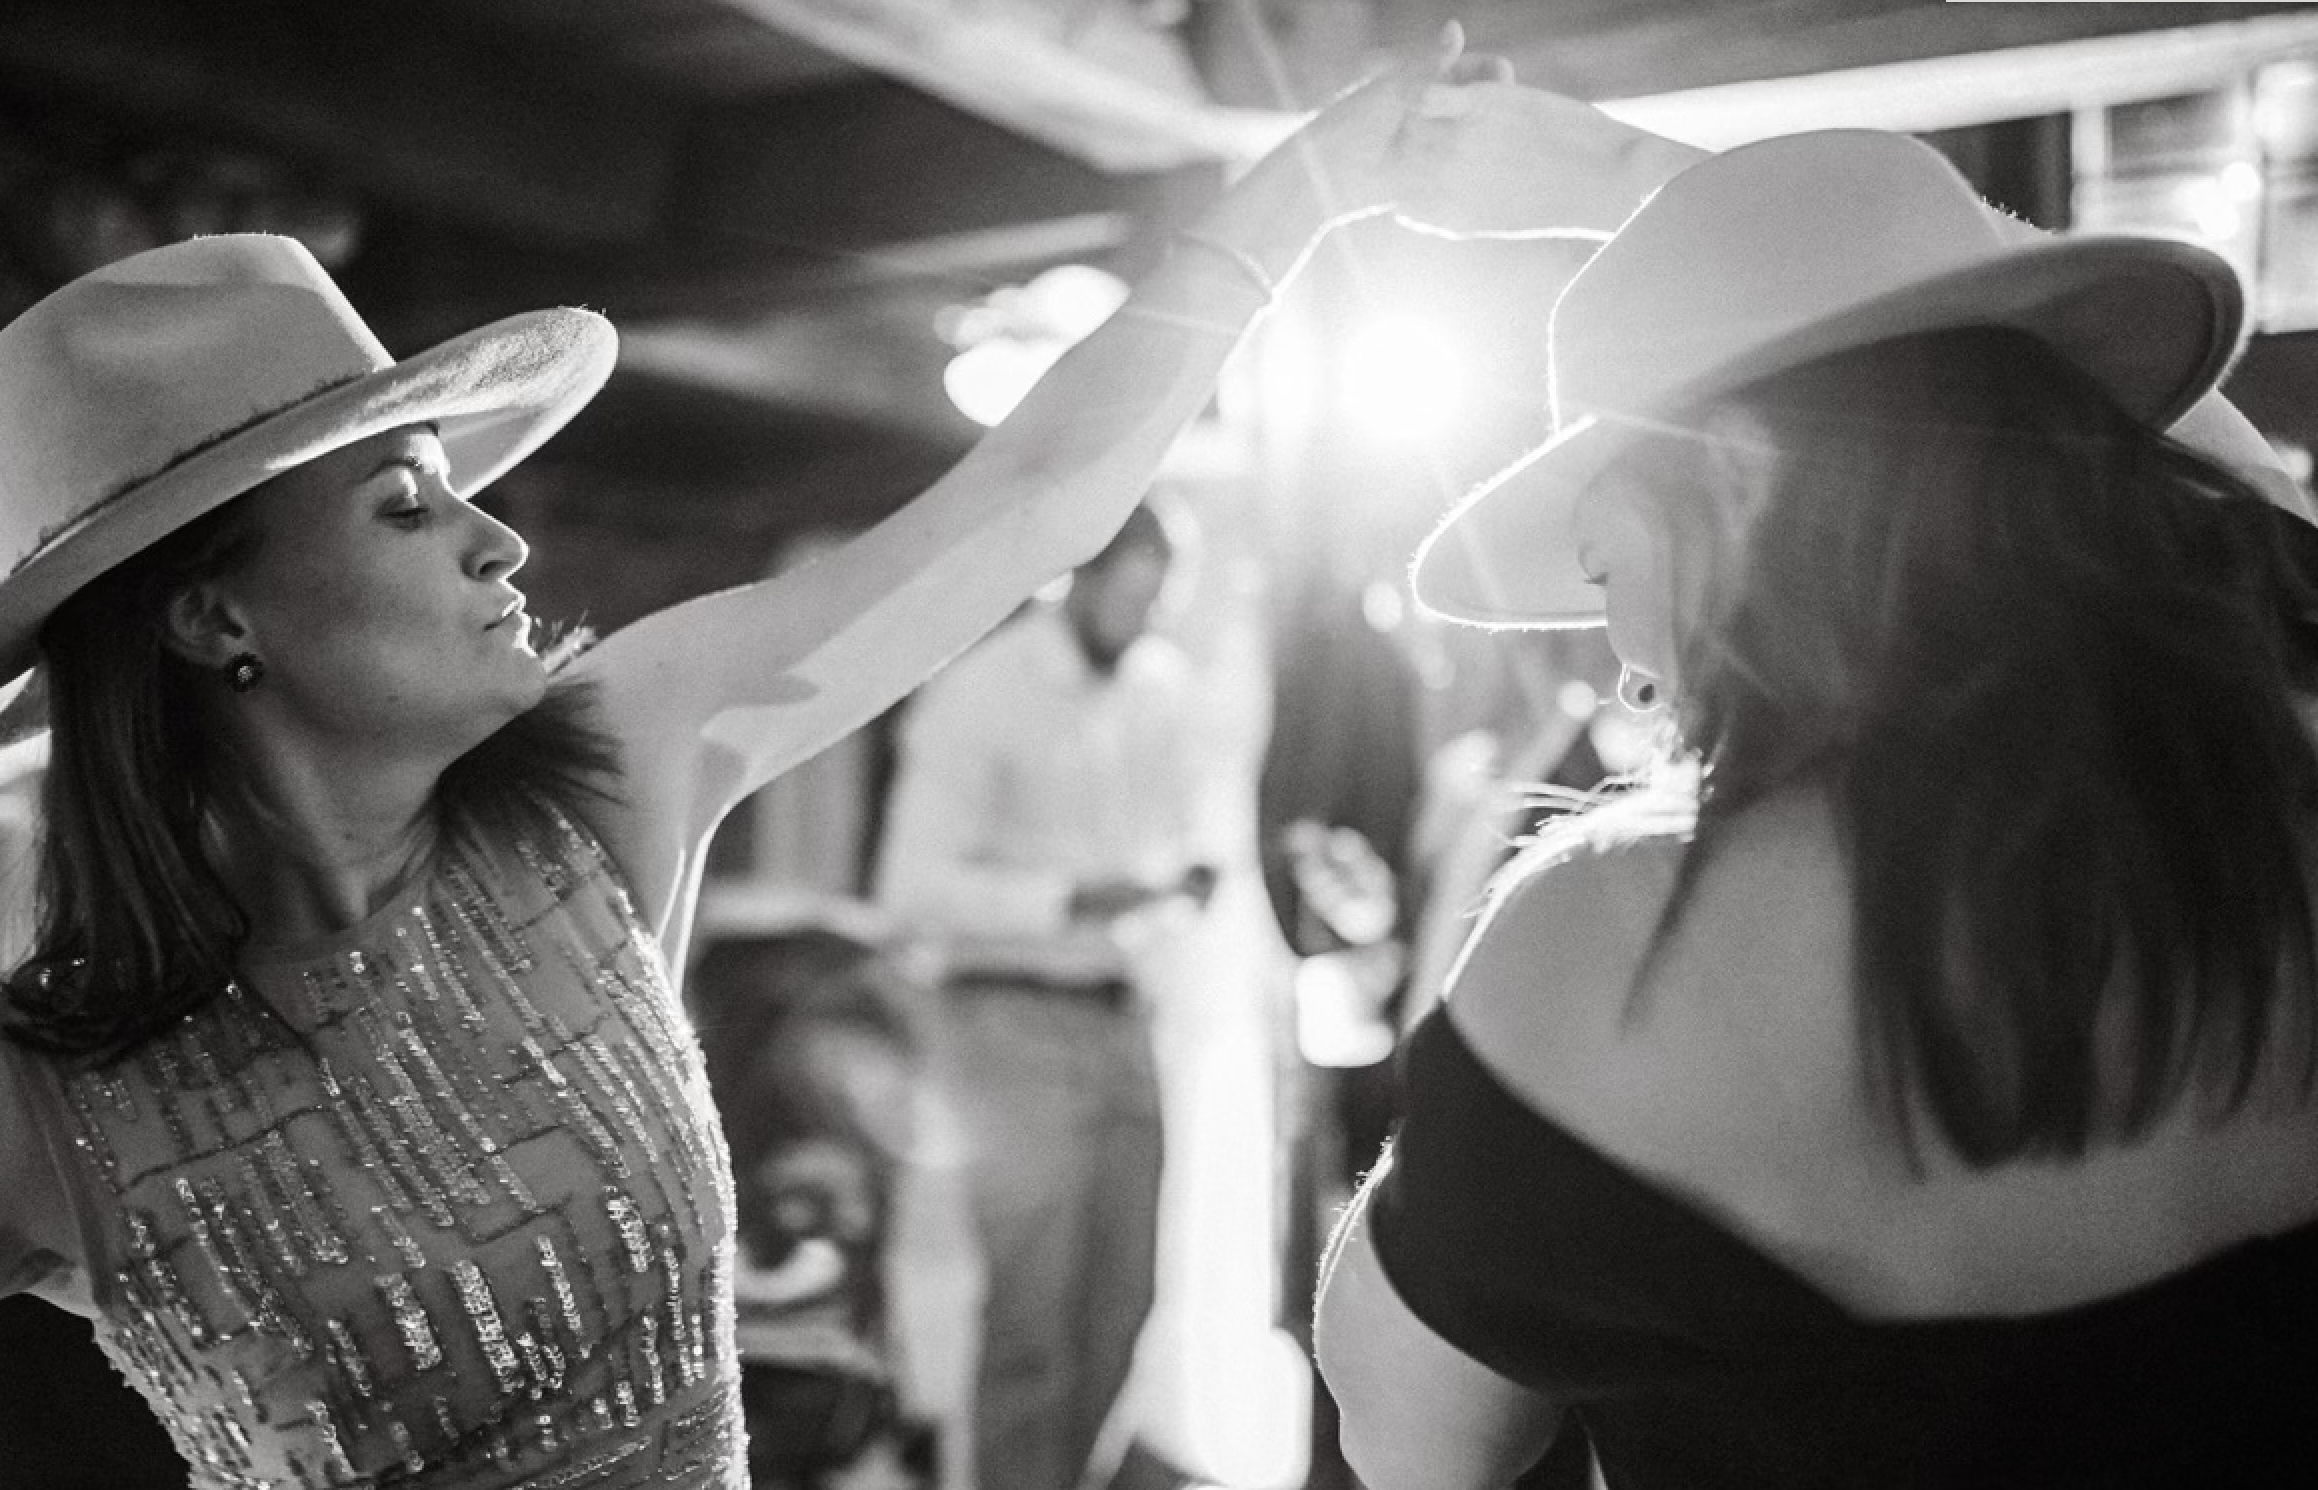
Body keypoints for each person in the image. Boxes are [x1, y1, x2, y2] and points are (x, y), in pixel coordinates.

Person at [0, 37, 1562, 1485]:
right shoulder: (56, 1102)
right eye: (406, 506)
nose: (499, 536)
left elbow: (1025, 496)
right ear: (213, 615)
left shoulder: (600, 783)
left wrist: (1293, 195)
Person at [1314, 89, 2318, 1488]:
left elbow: (1409, 1443)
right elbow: (2244, 493)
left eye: (1606, 572)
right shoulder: (2279, 771)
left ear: (1736, 477)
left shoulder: (1616, 942)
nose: (1629, 669)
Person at [872, 499, 1216, 1490]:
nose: (1145, 617)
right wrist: (1068, 897)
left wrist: (1188, 879)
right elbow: (907, 891)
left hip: (1123, 1017)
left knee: (1126, 1298)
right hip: (1004, 1019)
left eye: (1162, 597)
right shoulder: (981, 691)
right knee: (1032, 1315)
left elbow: (1172, 836)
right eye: (1132, 591)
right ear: (1077, 574)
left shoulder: (1162, 687)